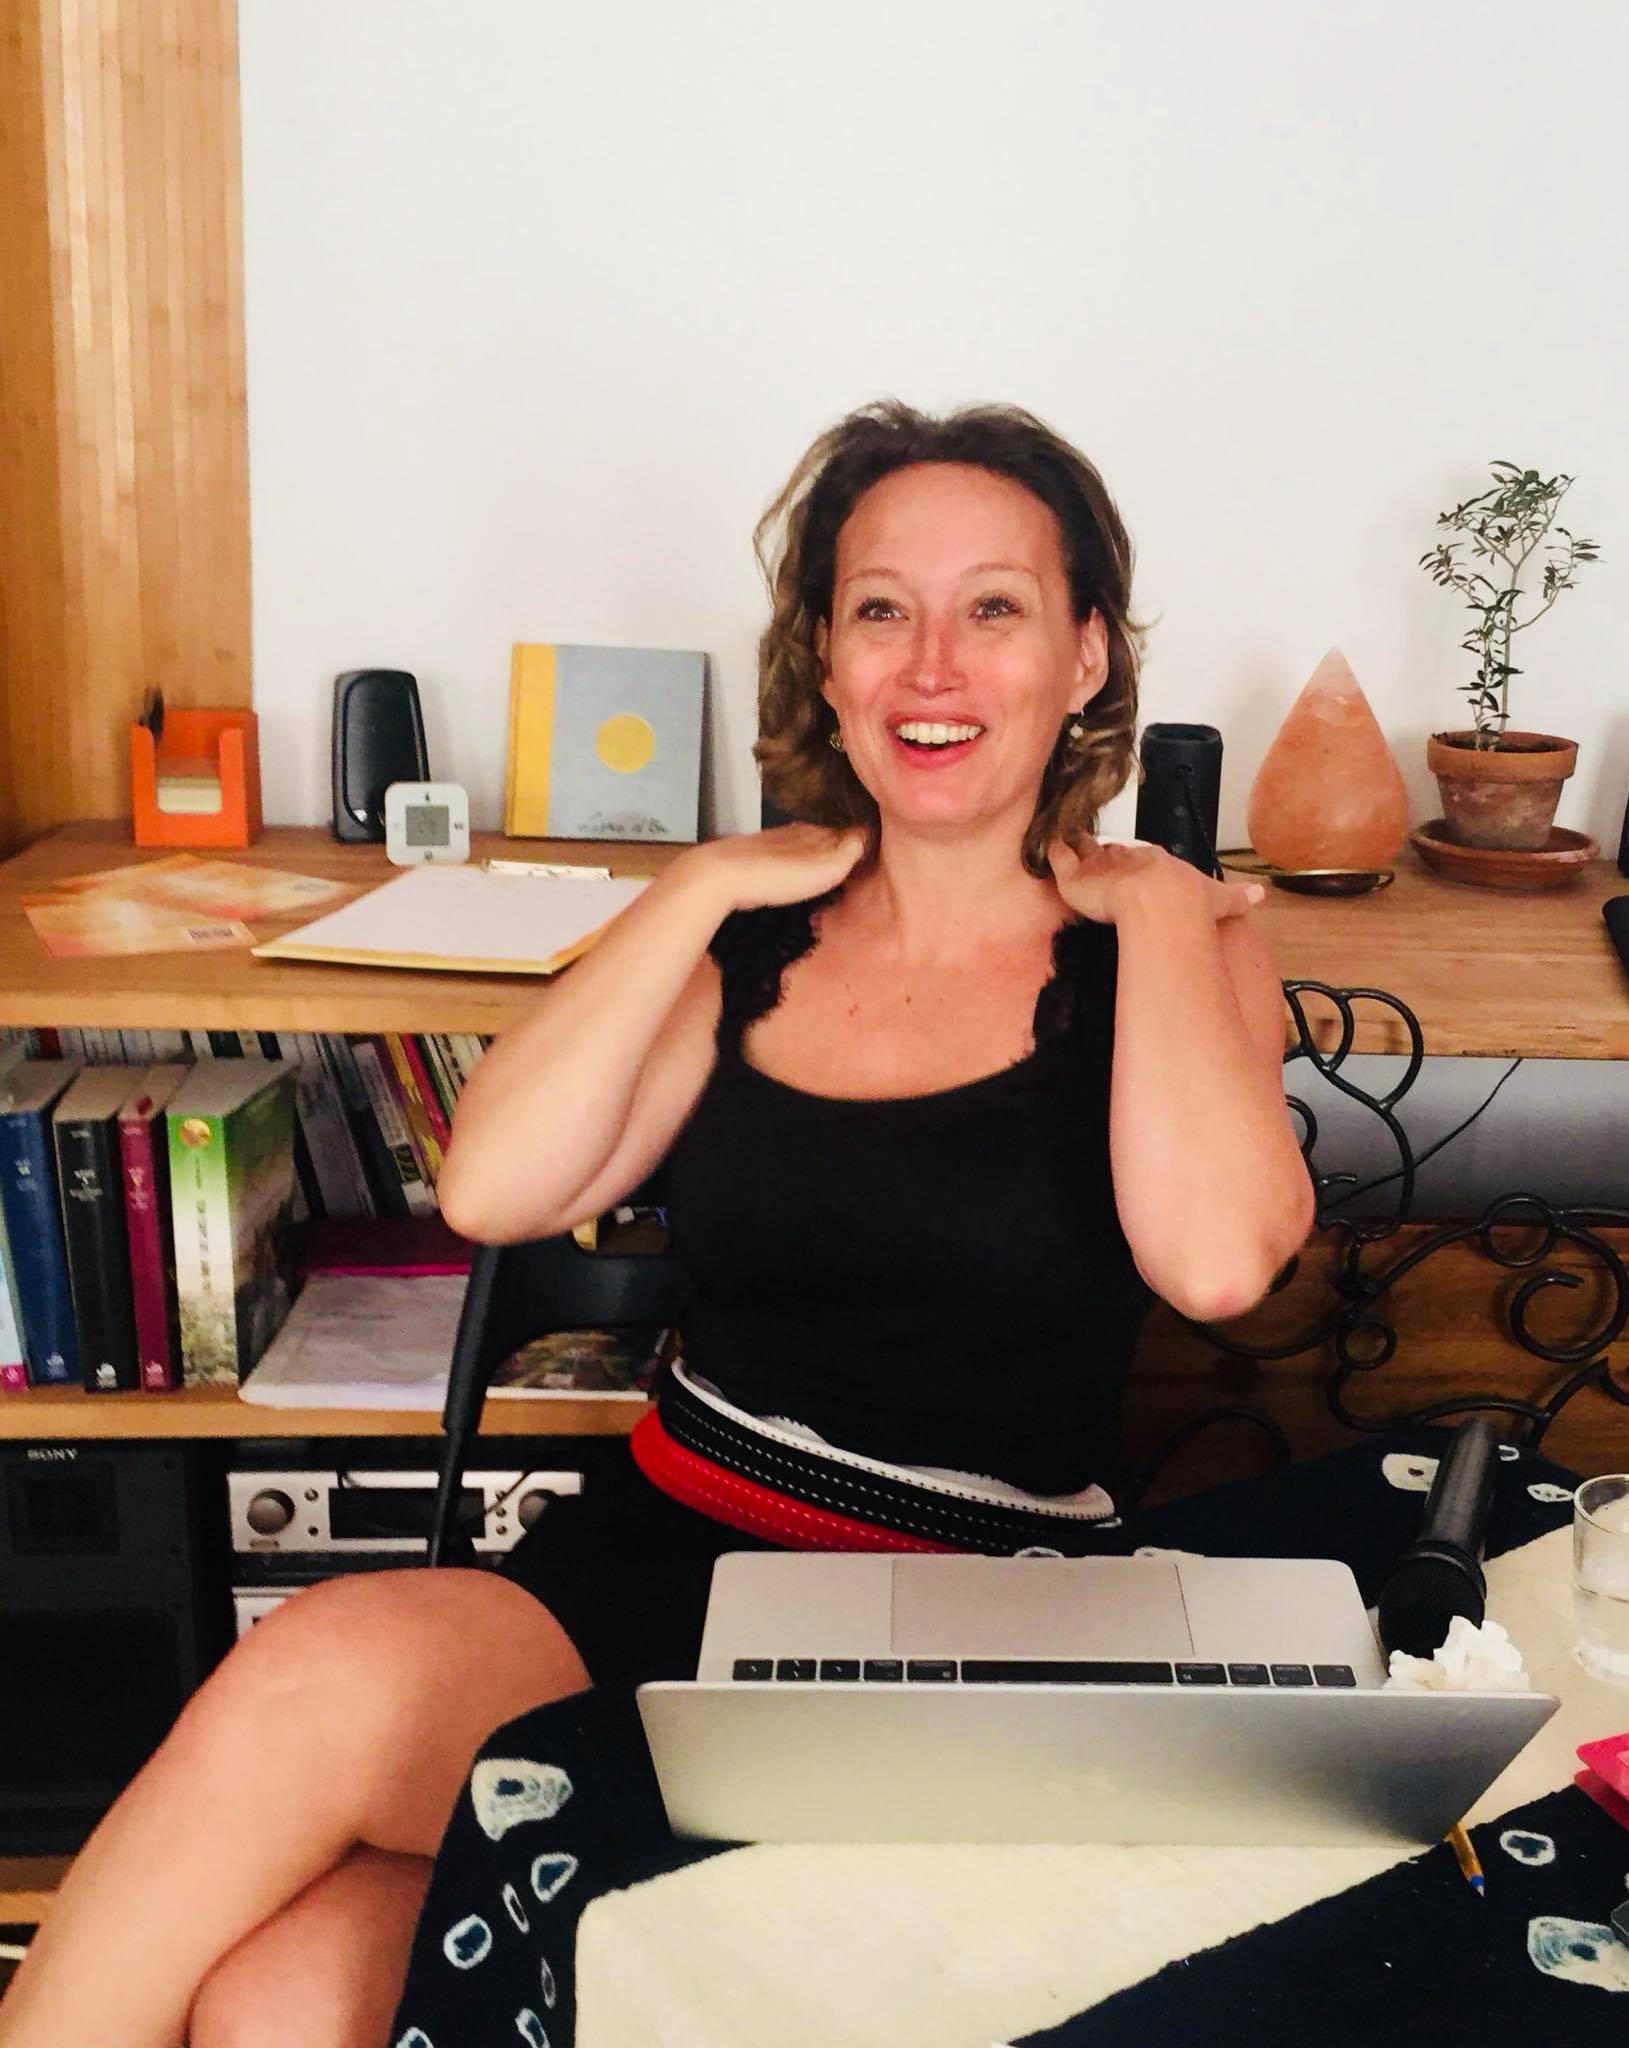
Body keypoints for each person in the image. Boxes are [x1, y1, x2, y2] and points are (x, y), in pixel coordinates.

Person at [0, 400, 1314, 2048]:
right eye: (880, 609)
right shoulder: (744, 943)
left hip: (966, 1622)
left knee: (317, 1842)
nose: (931, 665)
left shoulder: (1174, 953)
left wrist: (1162, 912)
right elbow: (492, 1189)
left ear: (1084, 658)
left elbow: (1214, 1259)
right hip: (659, 1546)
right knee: (280, 1986)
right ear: (825, 660)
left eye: (993, 608)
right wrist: (695, 887)